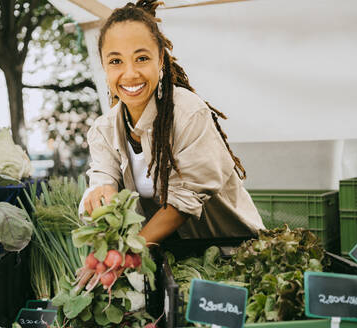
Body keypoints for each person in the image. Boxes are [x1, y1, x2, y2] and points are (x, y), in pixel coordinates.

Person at [79, 0, 264, 245]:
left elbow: (184, 199)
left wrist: (134, 250)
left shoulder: (188, 113)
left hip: (231, 247)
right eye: (116, 61)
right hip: (171, 252)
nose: (130, 73)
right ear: (104, 66)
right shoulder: (104, 130)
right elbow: (103, 178)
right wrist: (102, 195)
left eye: (142, 58)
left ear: (160, 61)